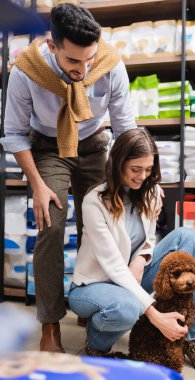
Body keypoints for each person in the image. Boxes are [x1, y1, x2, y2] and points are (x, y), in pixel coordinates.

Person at [0, 3, 136, 353]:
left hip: (94, 145)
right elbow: (14, 134)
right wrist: (37, 184)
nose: (83, 69)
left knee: (100, 225)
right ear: (52, 45)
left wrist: (134, 179)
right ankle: (49, 327)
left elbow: (124, 129)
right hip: (47, 149)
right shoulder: (26, 71)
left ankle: (88, 301)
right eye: (73, 62)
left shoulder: (108, 63)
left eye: (88, 60)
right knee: (51, 225)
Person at [68, 129, 195, 375]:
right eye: (136, 169)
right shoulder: (93, 202)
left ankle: (191, 340)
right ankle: (97, 342)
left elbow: (149, 238)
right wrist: (153, 314)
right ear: (118, 164)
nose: (143, 176)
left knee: (185, 236)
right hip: (94, 284)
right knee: (128, 307)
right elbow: (113, 266)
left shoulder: (149, 192)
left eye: (148, 169)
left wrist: (141, 259)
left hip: (132, 275)